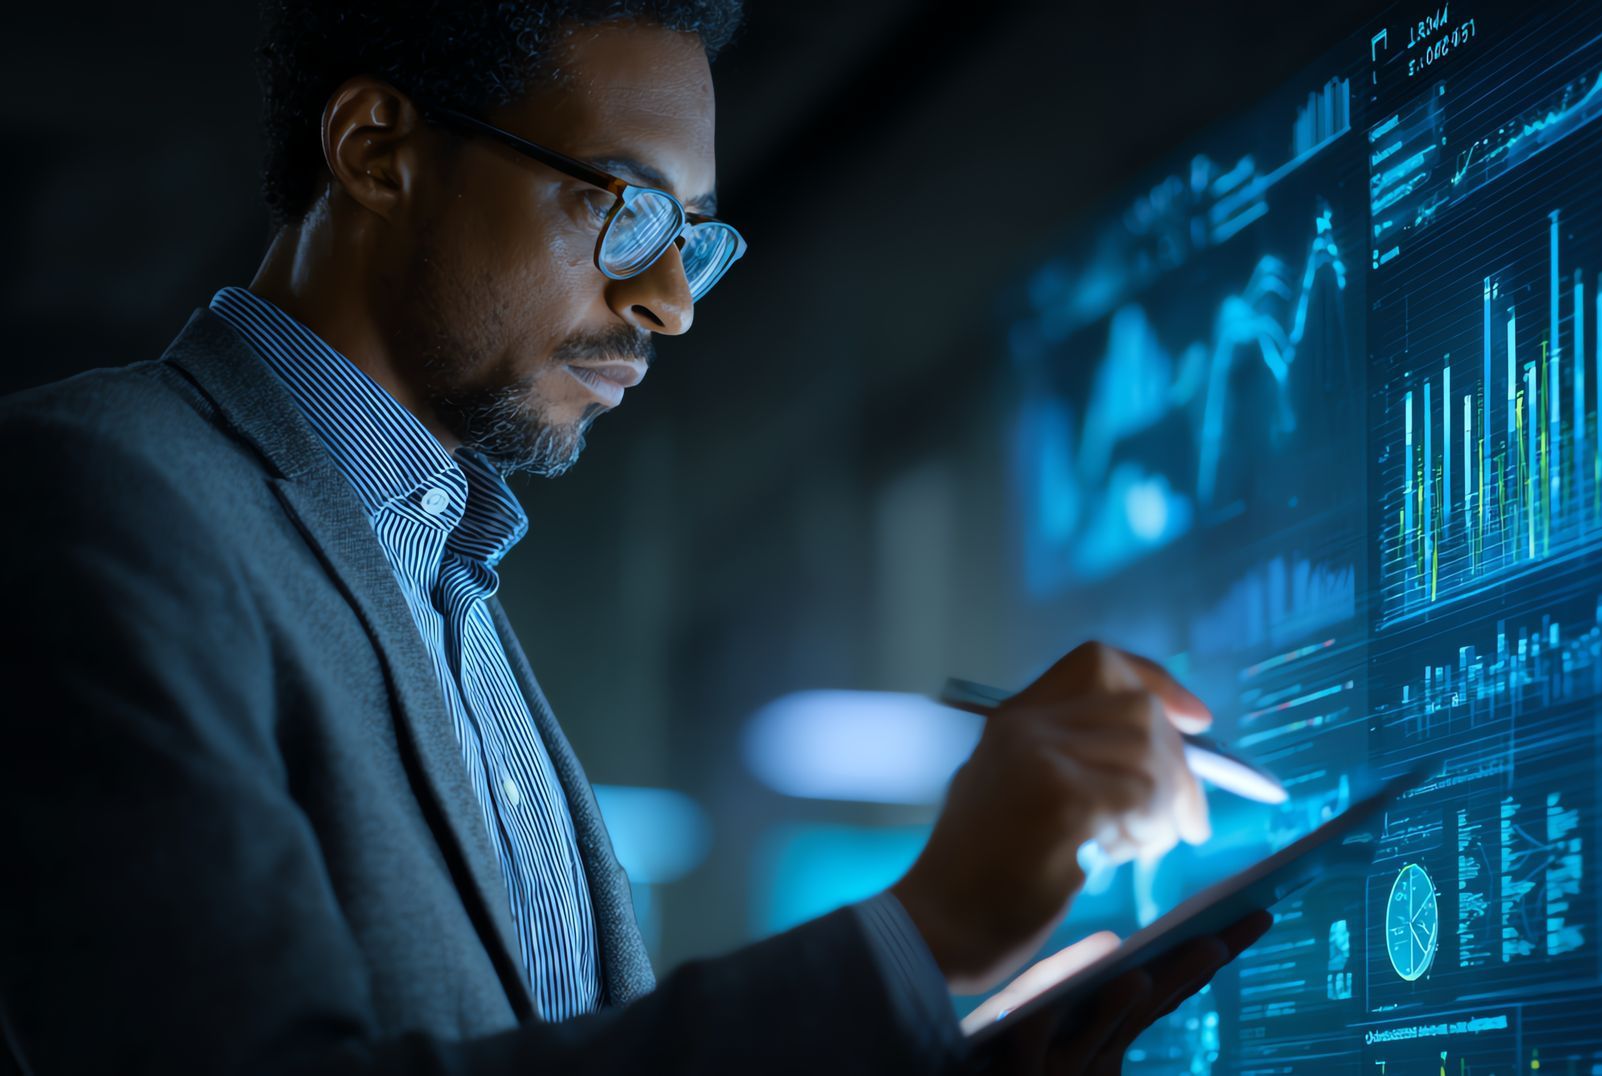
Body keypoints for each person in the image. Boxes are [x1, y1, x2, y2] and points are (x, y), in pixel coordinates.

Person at [0, 2, 1271, 1072]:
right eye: (627, 209)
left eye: (691, 240)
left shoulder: (446, 573)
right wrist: (923, 935)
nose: (669, 304)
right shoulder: (98, 491)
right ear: (378, 148)